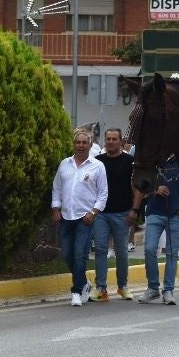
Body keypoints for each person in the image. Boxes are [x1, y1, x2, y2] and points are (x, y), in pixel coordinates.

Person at [51, 128, 107, 306]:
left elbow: (103, 194)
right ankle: (84, 283)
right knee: (67, 254)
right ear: (74, 144)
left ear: (91, 144)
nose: (81, 145)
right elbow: (57, 188)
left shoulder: (98, 166)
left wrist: (93, 212)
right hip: (66, 216)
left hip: (85, 218)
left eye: (84, 142)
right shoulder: (64, 164)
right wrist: (55, 208)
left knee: (79, 254)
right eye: (78, 142)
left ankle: (76, 291)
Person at [91, 128, 140, 302]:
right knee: (101, 251)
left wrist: (134, 210)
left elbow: (137, 188)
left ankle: (123, 286)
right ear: (104, 141)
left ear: (121, 142)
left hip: (122, 213)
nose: (111, 142)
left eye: (114, 139)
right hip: (101, 214)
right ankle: (101, 288)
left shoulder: (130, 161)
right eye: (108, 139)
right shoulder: (97, 161)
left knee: (122, 252)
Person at [139, 158, 179, 305]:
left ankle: (168, 290)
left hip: (175, 214)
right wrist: (155, 190)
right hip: (154, 211)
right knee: (149, 249)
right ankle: (153, 288)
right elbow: (141, 188)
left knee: (171, 253)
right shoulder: (154, 162)